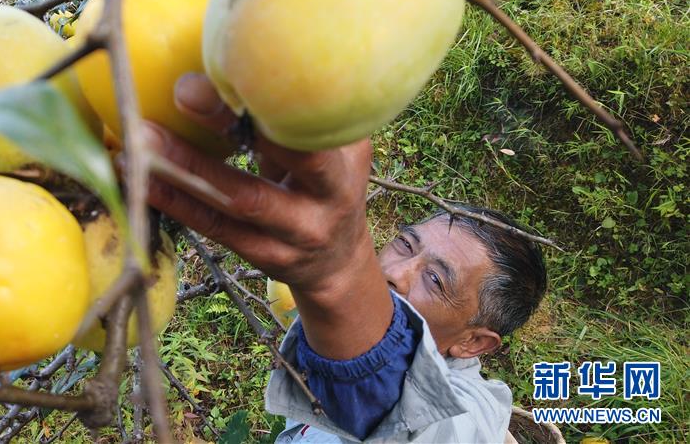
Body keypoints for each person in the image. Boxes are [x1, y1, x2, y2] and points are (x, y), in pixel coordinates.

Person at [138, 73, 548, 443]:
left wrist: (337, 277)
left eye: (436, 280)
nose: (395, 274)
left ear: (473, 342)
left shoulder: (472, 418)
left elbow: (411, 420)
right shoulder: (330, 336)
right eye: (406, 244)